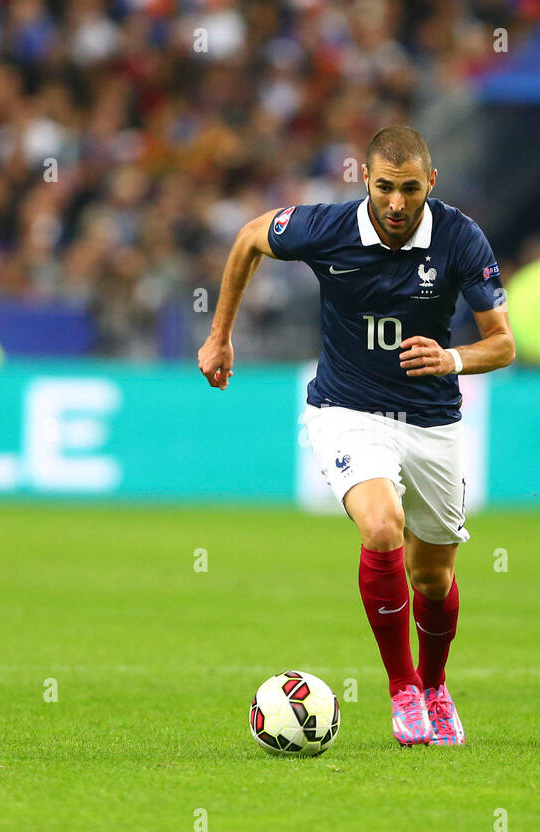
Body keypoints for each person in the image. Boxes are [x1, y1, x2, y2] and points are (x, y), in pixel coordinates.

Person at [197, 126, 515, 745]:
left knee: (434, 579)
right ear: (365, 181)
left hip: (431, 420)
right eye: (385, 188)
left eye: (410, 189)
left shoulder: (459, 236)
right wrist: (220, 334)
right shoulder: (325, 227)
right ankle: (402, 692)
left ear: (431, 184)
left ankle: (434, 685)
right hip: (347, 409)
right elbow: (248, 240)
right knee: (379, 525)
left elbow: (502, 343)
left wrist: (452, 358)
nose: (397, 204)